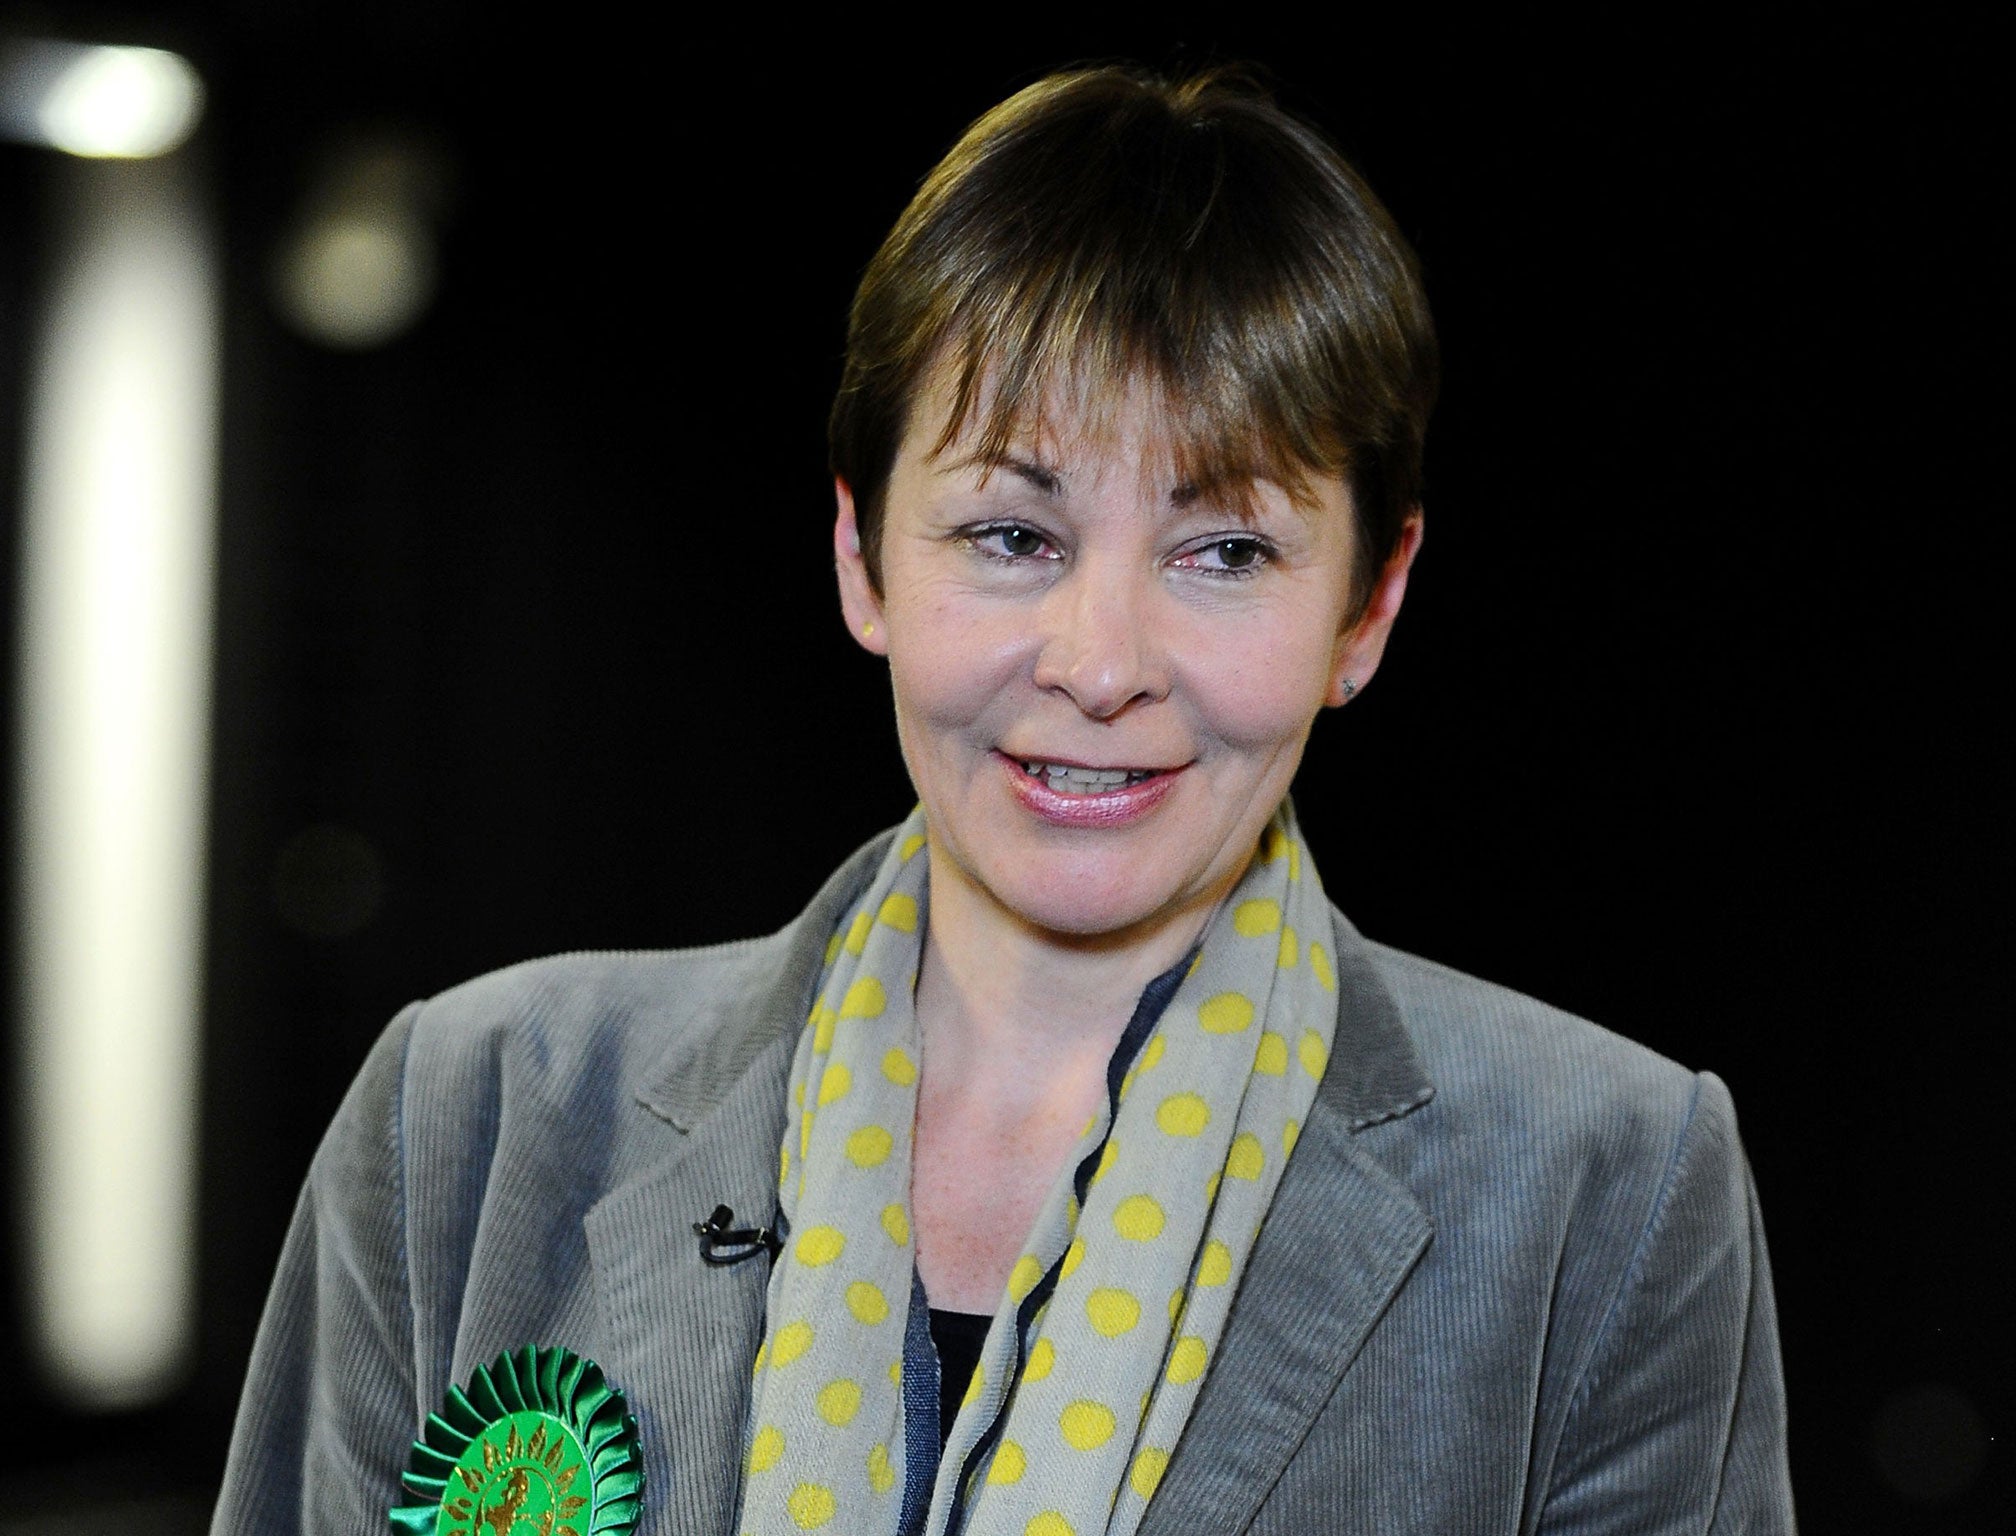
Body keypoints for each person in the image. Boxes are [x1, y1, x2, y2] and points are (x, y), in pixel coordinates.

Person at [214, 66, 1793, 1536]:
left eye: (1225, 551)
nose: (1101, 664)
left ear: (1369, 608)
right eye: (1013, 537)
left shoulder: (1610, 1191)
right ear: (860, 557)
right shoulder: (475, 1123)